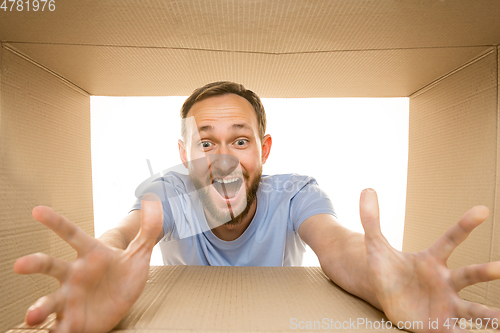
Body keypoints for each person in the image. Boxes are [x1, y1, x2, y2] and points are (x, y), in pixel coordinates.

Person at [14, 81, 500, 333]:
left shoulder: (293, 193)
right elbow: (126, 232)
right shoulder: (168, 191)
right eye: (205, 143)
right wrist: (102, 261)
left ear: (264, 149)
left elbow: (336, 246)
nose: (223, 158)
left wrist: (388, 283)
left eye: (240, 140)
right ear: (184, 155)